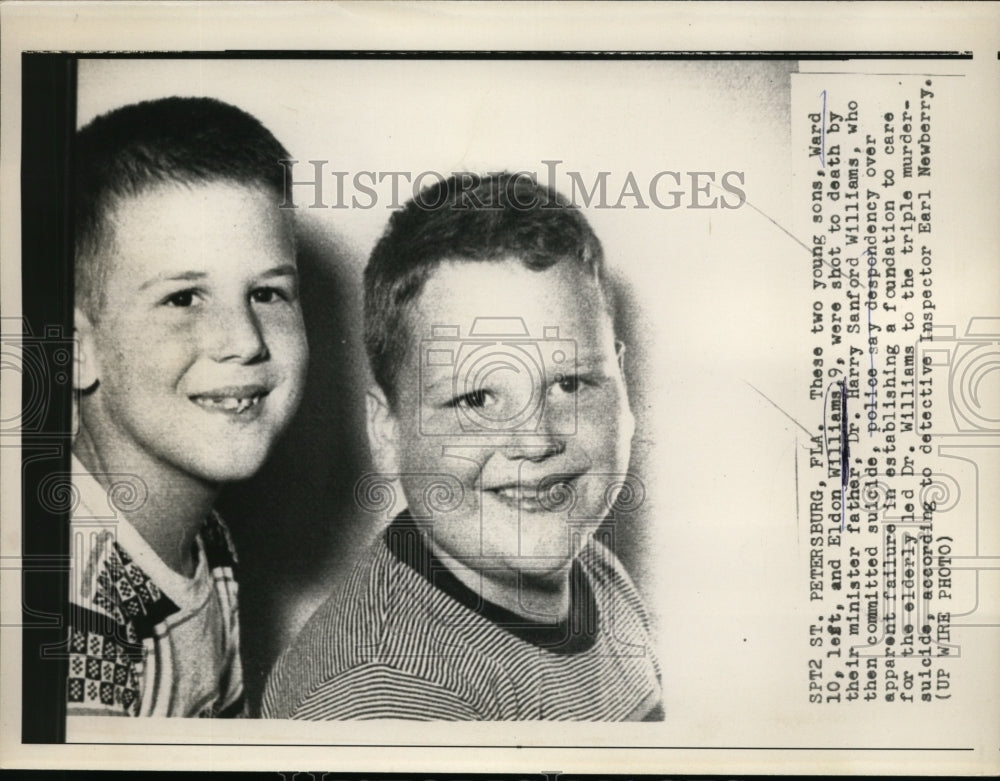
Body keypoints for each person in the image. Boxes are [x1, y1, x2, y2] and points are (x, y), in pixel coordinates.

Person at [263, 172, 662, 720]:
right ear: (388, 431)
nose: (536, 440)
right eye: (477, 399)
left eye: (571, 384)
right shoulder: (384, 692)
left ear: (621, 386)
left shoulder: (595, 573)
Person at [67, 97, 308, 717]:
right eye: (183, 298)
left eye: (267, 292)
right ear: (77, 351)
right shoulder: (72, 616)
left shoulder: (203, 532)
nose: (245, 340)